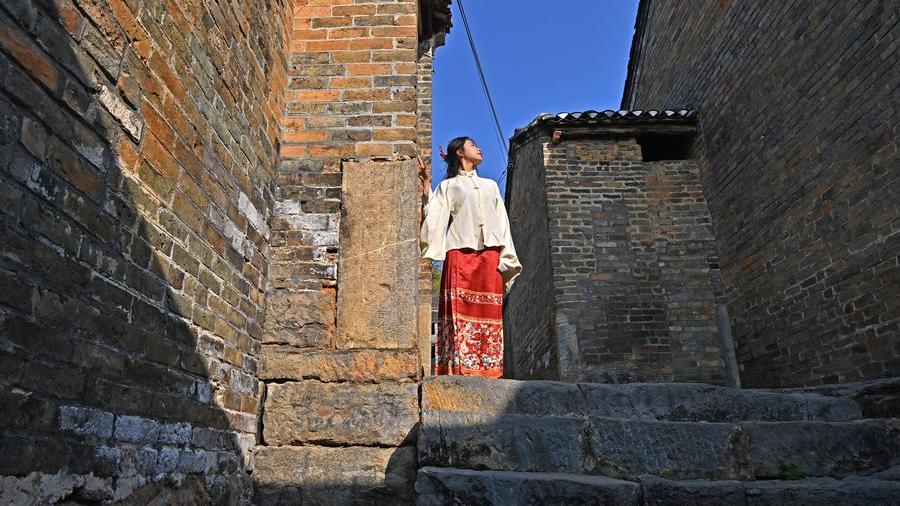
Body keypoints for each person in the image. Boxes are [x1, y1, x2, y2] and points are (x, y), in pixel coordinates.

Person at [419, 136, 522, 378]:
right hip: (459, 256)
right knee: (458, 310)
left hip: (490, 255)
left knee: (489, 311)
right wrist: (426, 187)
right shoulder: (449, 186)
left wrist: (506, 255)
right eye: (472, 144)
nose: (479, 147)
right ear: (459, 153)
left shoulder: (491, 186)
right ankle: (457, 369)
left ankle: (488, 369)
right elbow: (435, 217)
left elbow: (502, 223)